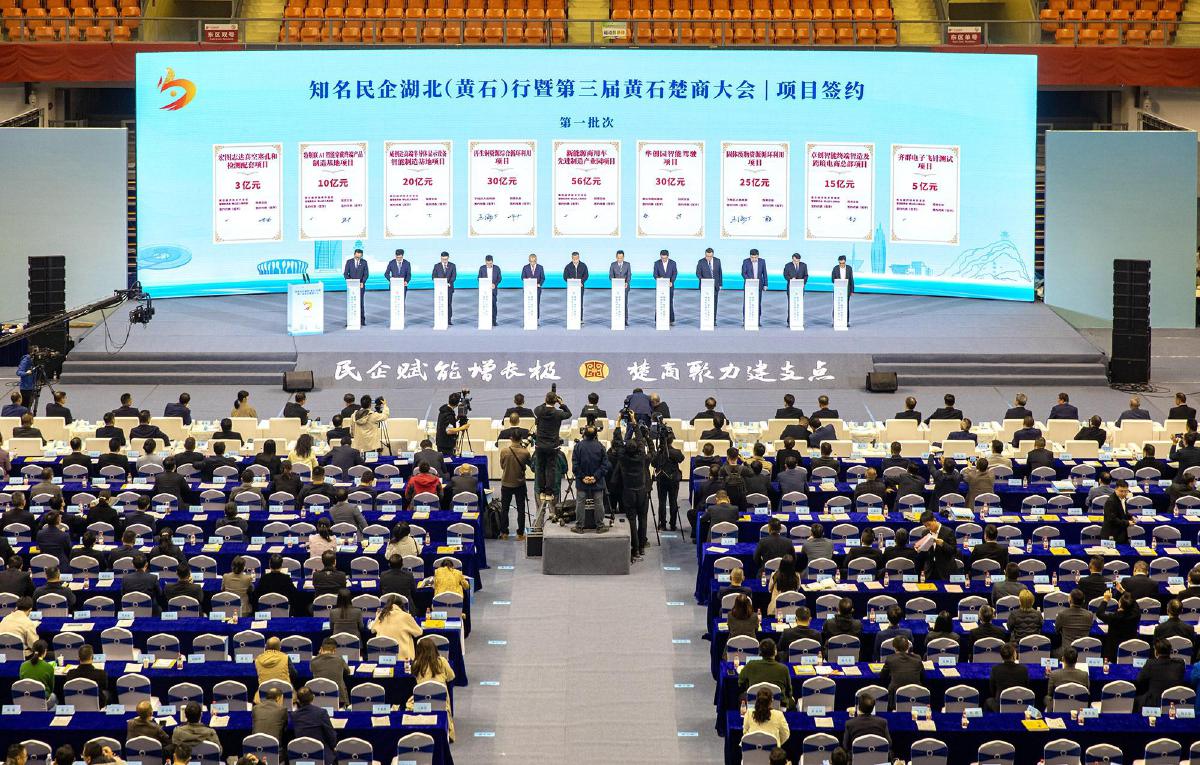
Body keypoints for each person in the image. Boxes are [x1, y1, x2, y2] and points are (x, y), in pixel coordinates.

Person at [411, 635, 458, 739]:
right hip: (441, 700)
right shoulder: (442, 661)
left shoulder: (416, 664)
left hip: (421, 700)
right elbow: (451, 676)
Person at [534, 390, 572, 497]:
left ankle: (541, 491)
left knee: (540, 468)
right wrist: (562, 404)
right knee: (551, 469)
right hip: (552, 446)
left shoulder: (539, 411)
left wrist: (547, 401)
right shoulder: (558, 413)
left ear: (545, 400)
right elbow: (569, 414)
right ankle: (549, 492)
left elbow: (538, 408)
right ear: (556, 401)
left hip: (540, 445)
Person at [738, 638, 792, 708]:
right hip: (778, 707)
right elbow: (789, 692)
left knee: (742, 696)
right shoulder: (783, 669)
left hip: (755, 704)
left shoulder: (750, 665)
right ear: (775, 652)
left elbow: (740, 683)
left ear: (760, 652)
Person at [1136, 638, 1186, 710]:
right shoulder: (1180, 663)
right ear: (1170, 651)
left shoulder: (1150, 664)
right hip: (1174, 702)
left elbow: (1140, 681)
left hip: (1154, 702)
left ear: (1156, 652)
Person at [499, 432, 531, 541]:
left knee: (505, 509)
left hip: (506, 483)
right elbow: (530, 464)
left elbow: (502, 466)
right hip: (520, 484)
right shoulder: (525, 452)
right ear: (521, 438)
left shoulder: (504, 451)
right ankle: (520, 534)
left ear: (511, 438)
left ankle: (504, 532)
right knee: (521, 509)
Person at [291, 687, 338, 760]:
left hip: (301, 755)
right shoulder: (321, 713)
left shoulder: (294, 715)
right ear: (313, 697)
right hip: (321, 754)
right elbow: (330, 735)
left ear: (298, 701)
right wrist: (333, 746)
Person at [370, 595, 423, 659]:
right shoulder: (406, 616)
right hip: (403, 658)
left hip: (382, 657)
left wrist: (377, 616)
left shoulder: (381, 615)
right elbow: (419, 632)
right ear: (401, 605)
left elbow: (372, 630)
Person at [1097, 590, 1141, 661]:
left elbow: (1099, 613)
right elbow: (1134, 602)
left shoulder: (1114, 617)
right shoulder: (1136, 615)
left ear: (1120, 604)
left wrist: (1105, 600)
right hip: (1130, 650)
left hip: (1113, 652)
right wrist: (1122, 590)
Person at [879, 635, 924, 706]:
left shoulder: (890, 659)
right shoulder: (918, 658)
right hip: (916, 695)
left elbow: (882, 676)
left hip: (895, 696)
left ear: (894, 648)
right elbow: (922, 674)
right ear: (908, 647)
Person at [985, 642, 1029, 712]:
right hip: (1020, 703)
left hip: (1001, 705)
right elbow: (1026, 688)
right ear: (1014, 655)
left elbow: (992, 690)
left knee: (989, 700)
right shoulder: (1024, 669)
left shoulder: (995, 669)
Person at [918, 510, 956, 581]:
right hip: (929, 570)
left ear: (934, 520)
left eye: (929, 524)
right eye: (925, 526)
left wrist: (943, 544)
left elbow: (953, 551)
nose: (928, 527)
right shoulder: (925, 533)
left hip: (944, 570)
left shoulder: (948, 532)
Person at [342, 247, 369, 323]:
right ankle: (350, 321)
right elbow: (345, 274)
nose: (358, 258)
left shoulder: (364, 262)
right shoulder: (349, 262)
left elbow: (366, 274)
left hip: (360, 286)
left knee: (360, 302)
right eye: (356, 257)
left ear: (361, 256)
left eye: (359, 257)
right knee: (351, 303)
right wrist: (350, 281)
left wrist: (362, 282)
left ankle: (362, 320)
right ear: (354, 255)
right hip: (351, 286)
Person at [782, 252, 808, 328]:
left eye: (798, 261)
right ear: (793, 259)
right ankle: (790, 321)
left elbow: (806, 275)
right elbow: (785, 275)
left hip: (800, 288)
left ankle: (799, 320)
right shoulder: (788, 265)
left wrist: (803, 282)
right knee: (791, 304)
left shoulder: (804, 265)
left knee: (799, 304)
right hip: (791, 288)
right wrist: (790, 279)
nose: (797, 262)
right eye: (795, 261)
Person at [1102, 479, 1133, 544]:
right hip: (1112, 536)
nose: (1124, 494)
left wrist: (1130, 517)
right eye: (1121, 491)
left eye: (1126, 491)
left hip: (1121, 533)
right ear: (1115, 489)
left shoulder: (1122, 498)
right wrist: (1127, 523)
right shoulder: (1111, 502)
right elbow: (1112, 519)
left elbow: (1122, 512)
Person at [741, 248, 768, 321]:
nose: (753, 259)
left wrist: (765, 284)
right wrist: (750, 280)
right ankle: (745, 319)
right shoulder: (745, 261)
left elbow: (764, 273)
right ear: (750, 256)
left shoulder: (762, 261)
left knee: (758, 302)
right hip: (748, 285)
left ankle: (757, 320)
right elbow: (743, 273)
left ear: (758, 256)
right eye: (752, 257)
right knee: (747, 302)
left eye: (755, 257)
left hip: (759, 285)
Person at [653, 249, 678, 324]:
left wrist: (671, 281)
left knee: (670, 302)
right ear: (660, 256)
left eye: (665, 258)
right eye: (662, 258)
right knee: (659, 302)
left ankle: (671, 320)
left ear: (668, 256)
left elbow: (675, 273)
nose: (663, 259)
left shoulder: (673, 263)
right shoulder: (657, 263)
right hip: (660, 286)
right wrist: (659, 278)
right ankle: (658, 320)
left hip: (669, 286)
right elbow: (654, 274)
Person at [696, 246, 723, 314]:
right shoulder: (701, 262)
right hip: (705, 286)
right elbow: (698, 273)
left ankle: (714, 319)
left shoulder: (717, 261)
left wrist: (720, 284)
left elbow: (720, 273)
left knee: (714, 303)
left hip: (715, 286)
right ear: (705, 255)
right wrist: (704, 281)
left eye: (710, 256)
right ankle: (705, 318)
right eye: (707, 256)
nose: (708, 258)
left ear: (713, 255)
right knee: (706, 303)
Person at [563, 251, 590, 321]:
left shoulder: (583, 265)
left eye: (576, 258)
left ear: (579, 258)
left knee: (580, 302)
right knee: (572, 302)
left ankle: (580, 319)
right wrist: (570, 280)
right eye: (574, 259)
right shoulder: (568, 266)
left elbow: (586, 275)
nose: (575, 260)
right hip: (571, 287)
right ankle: (572, 318)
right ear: (572, 258)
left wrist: (581, 282)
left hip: (580, 287)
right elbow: (565, 277)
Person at [608, 250, 631, 325]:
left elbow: (629, 275)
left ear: (623, 257)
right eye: (618, 258)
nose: (619, 259)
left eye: (621, 258)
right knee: (616, 303)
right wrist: (615, 281)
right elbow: (610, 276)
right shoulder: (613, 264)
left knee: (624, 303)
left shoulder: (627, 264)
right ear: (616, 257)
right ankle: (616, 319)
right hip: (616, 288)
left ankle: (625, 320)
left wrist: (627, 282)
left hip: (625, 287)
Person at [520, 253, 546, 319]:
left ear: (536, 260)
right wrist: (527, 280)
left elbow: (543, 278)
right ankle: (528, 319)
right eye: (531, 261)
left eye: (534, 261)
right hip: (528, 289)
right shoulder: (525, 267)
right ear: (529, 260)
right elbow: (522, 277)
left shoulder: (540, 267)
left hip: (537, 289)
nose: (532, 263)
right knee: (528, 304)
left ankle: (536, 319)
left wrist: (539, 284)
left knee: (536, 304)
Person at [478, 254, 501, 326]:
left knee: (493, 305)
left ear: (492, 262)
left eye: (490, 263)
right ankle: (485, 321)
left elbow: (499, 278)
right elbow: (479, 278)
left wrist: (495, 284)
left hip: (493, 290)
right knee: (485, 305)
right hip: (484, 291)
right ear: (485, 262)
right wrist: (484, 283)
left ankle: (494, 321)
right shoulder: (482, 268)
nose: (489, 265)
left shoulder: (497, 268)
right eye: (487, 263)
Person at [830, 254, 854, 325]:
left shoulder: (849, 268)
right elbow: (832, 279)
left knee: (846, 305)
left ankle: (846, 321)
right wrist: (838, 281)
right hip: (838, 290)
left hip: (847, 290)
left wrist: (852, 290)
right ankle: (835, 321)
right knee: (836, 305)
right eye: (840, 263)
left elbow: (851, 280)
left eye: (843, 263)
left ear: (845, 262)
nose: (841, 265)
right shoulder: (835, 268)